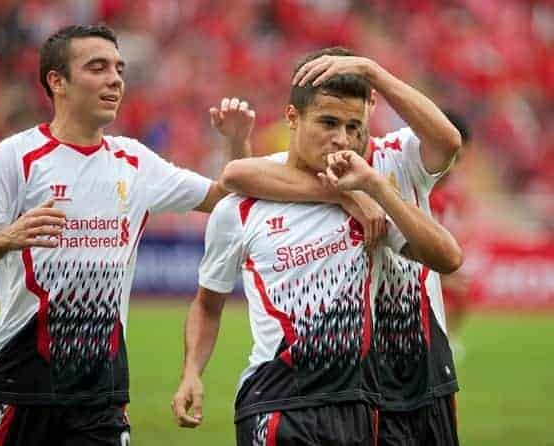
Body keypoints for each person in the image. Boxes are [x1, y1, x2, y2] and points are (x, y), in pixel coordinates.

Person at [0, 24, 255, 446]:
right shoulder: (16, 158)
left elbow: (226, 196)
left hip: (102, 397)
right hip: (18, 386)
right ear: (57, 82)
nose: (115, 78)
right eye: (97, 67)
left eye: (119, 68)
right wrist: (7, 237)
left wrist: (237, 143)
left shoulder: (133, 161)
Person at [171, 50, 462, 445]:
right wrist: (343, 196)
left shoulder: (398, 155)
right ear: (293, 117)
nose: (342, 138)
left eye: (352, 125)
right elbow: (236, 175)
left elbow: (448, 147)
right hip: (307, 392)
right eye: (328, 122)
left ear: (373, 102)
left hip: (415, 373)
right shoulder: (271, 185)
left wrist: (371, 71)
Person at [430, 110, 473, 359]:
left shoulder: (444, 195)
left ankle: (448, 337)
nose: (452, 167)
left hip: (433, 259)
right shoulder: (404, 184)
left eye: (458, 160)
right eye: (453, 158)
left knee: (462, 288)